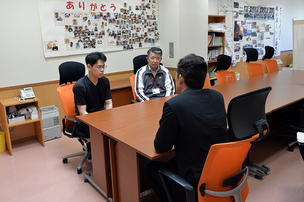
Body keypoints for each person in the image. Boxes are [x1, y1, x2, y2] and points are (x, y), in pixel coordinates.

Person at [146, 54, 228, 202]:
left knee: (151, 168)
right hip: (220, 169)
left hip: (195, 177)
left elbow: (161, 146)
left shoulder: (175, 105)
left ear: (181, 78)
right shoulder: (217, 96)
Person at [73, 52, 113, 138]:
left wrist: (109, 118)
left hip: (101, 117)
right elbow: (83, 112)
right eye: (99, 67)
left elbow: (109, 103)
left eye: (103, 66)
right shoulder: (80, 86)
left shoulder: (105, 81)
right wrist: (97, 124)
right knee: (104, 134)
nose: (102, 70)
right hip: (86, 122)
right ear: (89, 67)